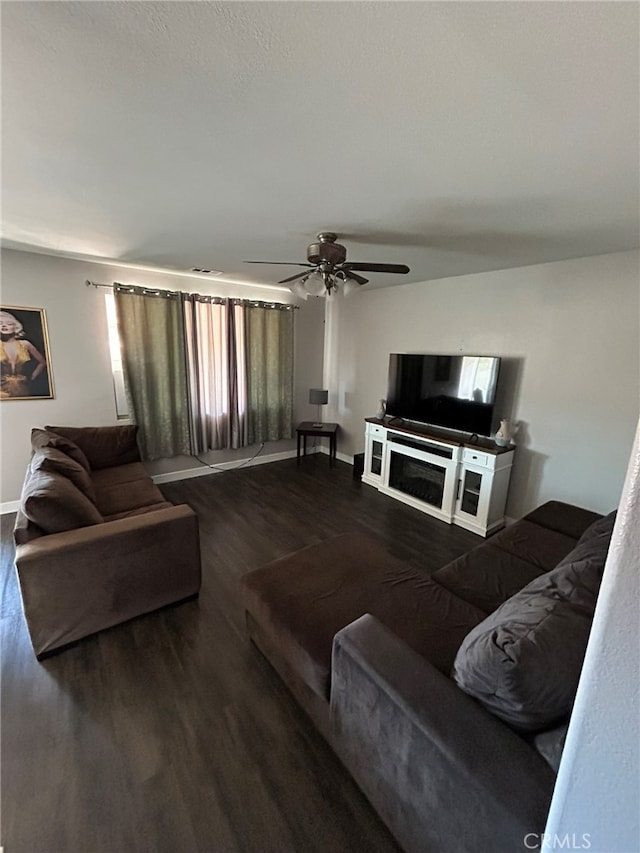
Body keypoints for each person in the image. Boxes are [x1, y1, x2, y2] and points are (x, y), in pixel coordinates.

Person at [0, 311, 48, 398]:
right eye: (0, 323)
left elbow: (43, 362)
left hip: (22, 388)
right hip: (2, 389)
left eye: (9, 323)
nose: (3, 326)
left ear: (16, 327)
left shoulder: (25, 344)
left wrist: (31, 377)